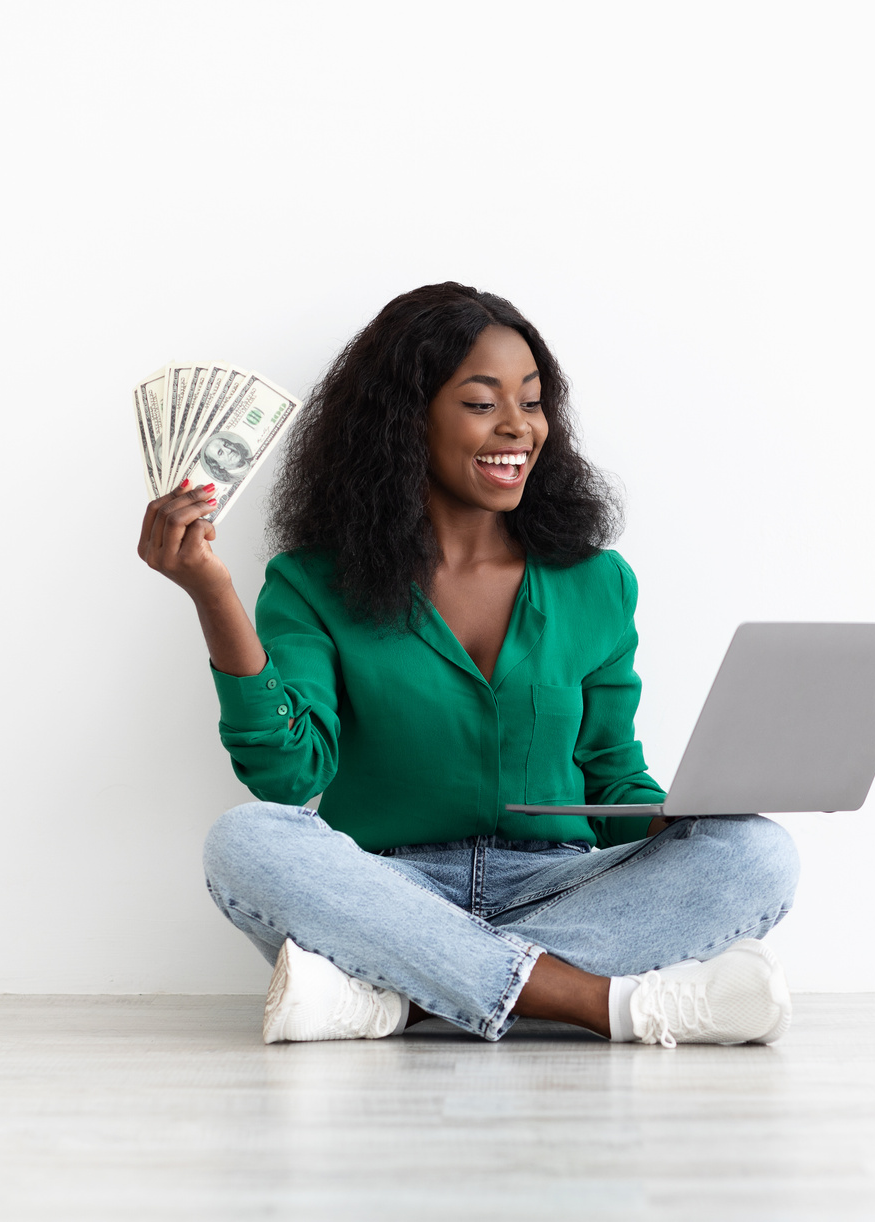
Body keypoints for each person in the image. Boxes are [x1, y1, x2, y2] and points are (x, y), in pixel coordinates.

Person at [137, 282, 799, 1046]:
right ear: (405, 420)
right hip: (387, 888)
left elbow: (612, 777)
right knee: (246, 841)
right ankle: (606, 1004)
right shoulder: (311, 581)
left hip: (558, 883)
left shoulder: (596, 581)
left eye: (533, 401)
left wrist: (677, 817)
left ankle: (393, 999)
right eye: (483, 403)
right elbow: (289, 777)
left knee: (757, 853)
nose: (519, 427)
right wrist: (212, 594)